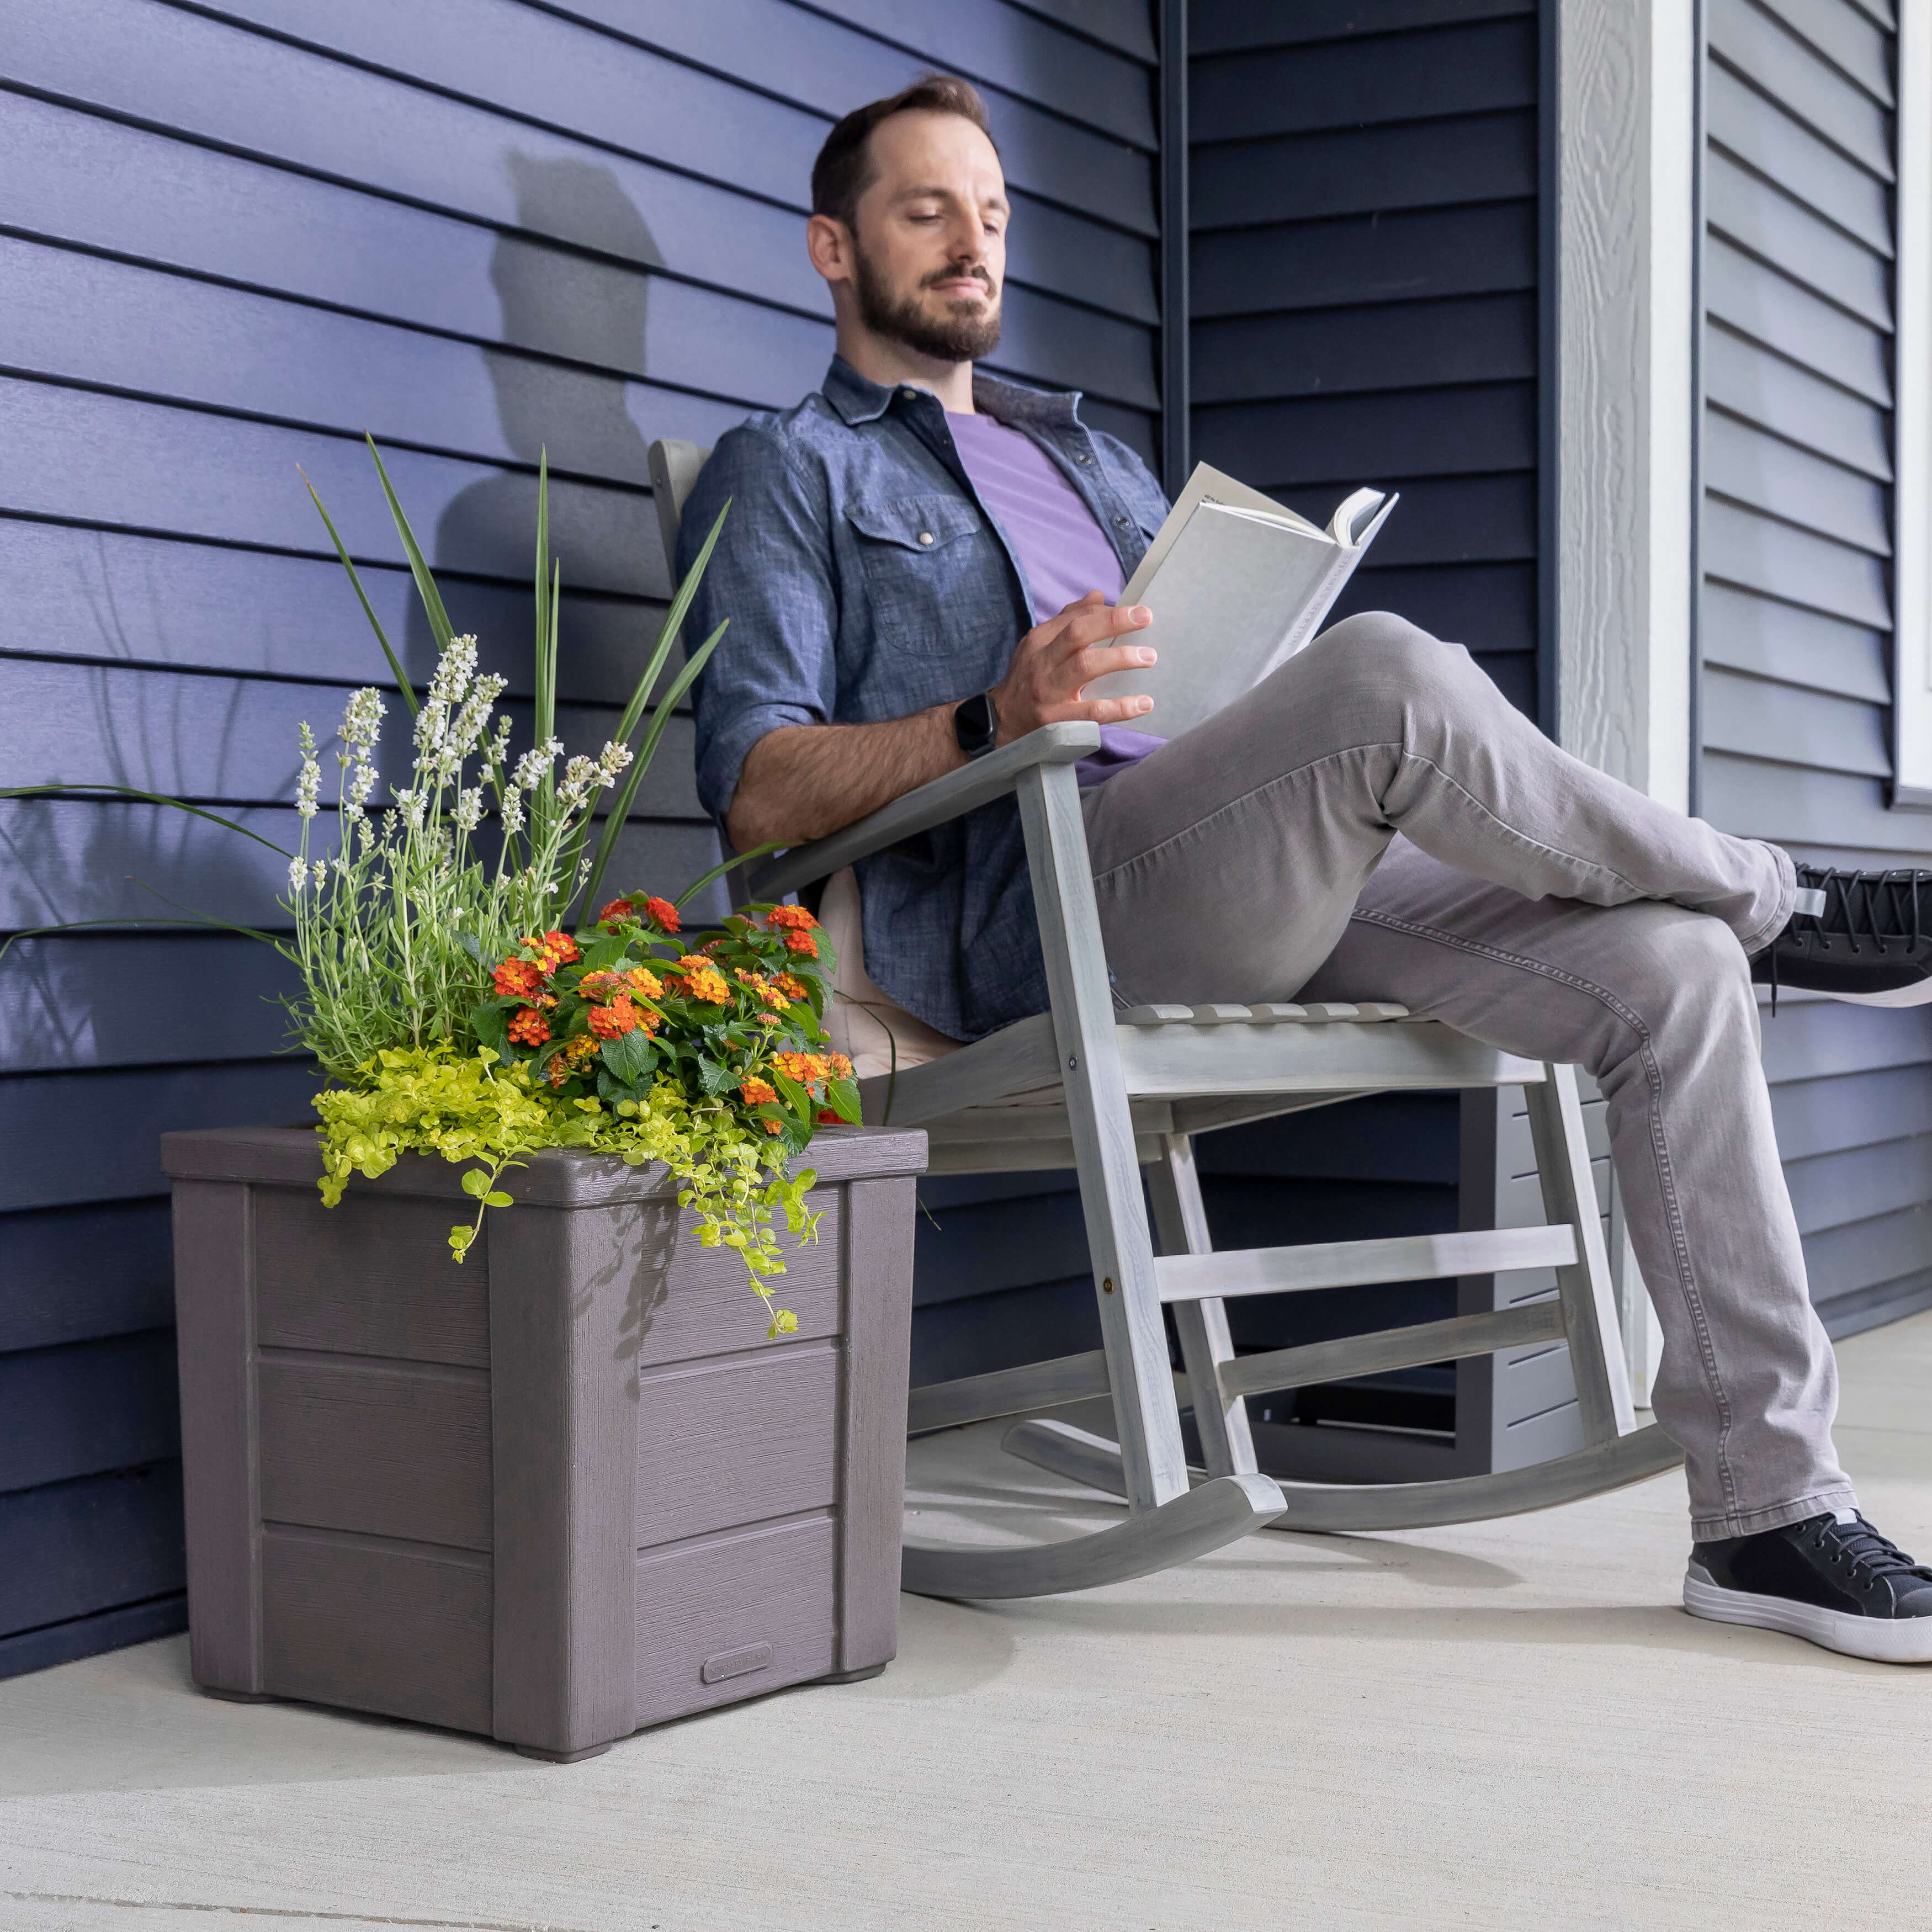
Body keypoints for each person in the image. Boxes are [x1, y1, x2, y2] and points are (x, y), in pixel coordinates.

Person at [684, 75, 1932, 1662]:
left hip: (1248, 867)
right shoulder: (785, 470)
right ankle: (1786, 899)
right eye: (925, 210)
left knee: (1665, 973)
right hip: (1040, 916)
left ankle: (1767, 1510)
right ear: (830, 247)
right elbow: (756, 788)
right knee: (1390, 671)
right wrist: (999, 710)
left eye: (990, 215)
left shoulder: (1089, 456)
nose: (969, 245)